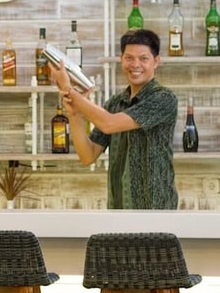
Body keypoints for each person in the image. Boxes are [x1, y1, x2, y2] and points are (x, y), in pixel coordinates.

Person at [53, 28, 178, 209]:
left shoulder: (164, 99)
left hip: (156, 212)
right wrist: (74, 114)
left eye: (143, 58)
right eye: (129, 58)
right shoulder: (114, 104)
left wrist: (69, 90)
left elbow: (109, 124)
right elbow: (88, 156)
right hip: (118, 211)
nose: (135, 64)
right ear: (121, 60)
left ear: (156, 61)